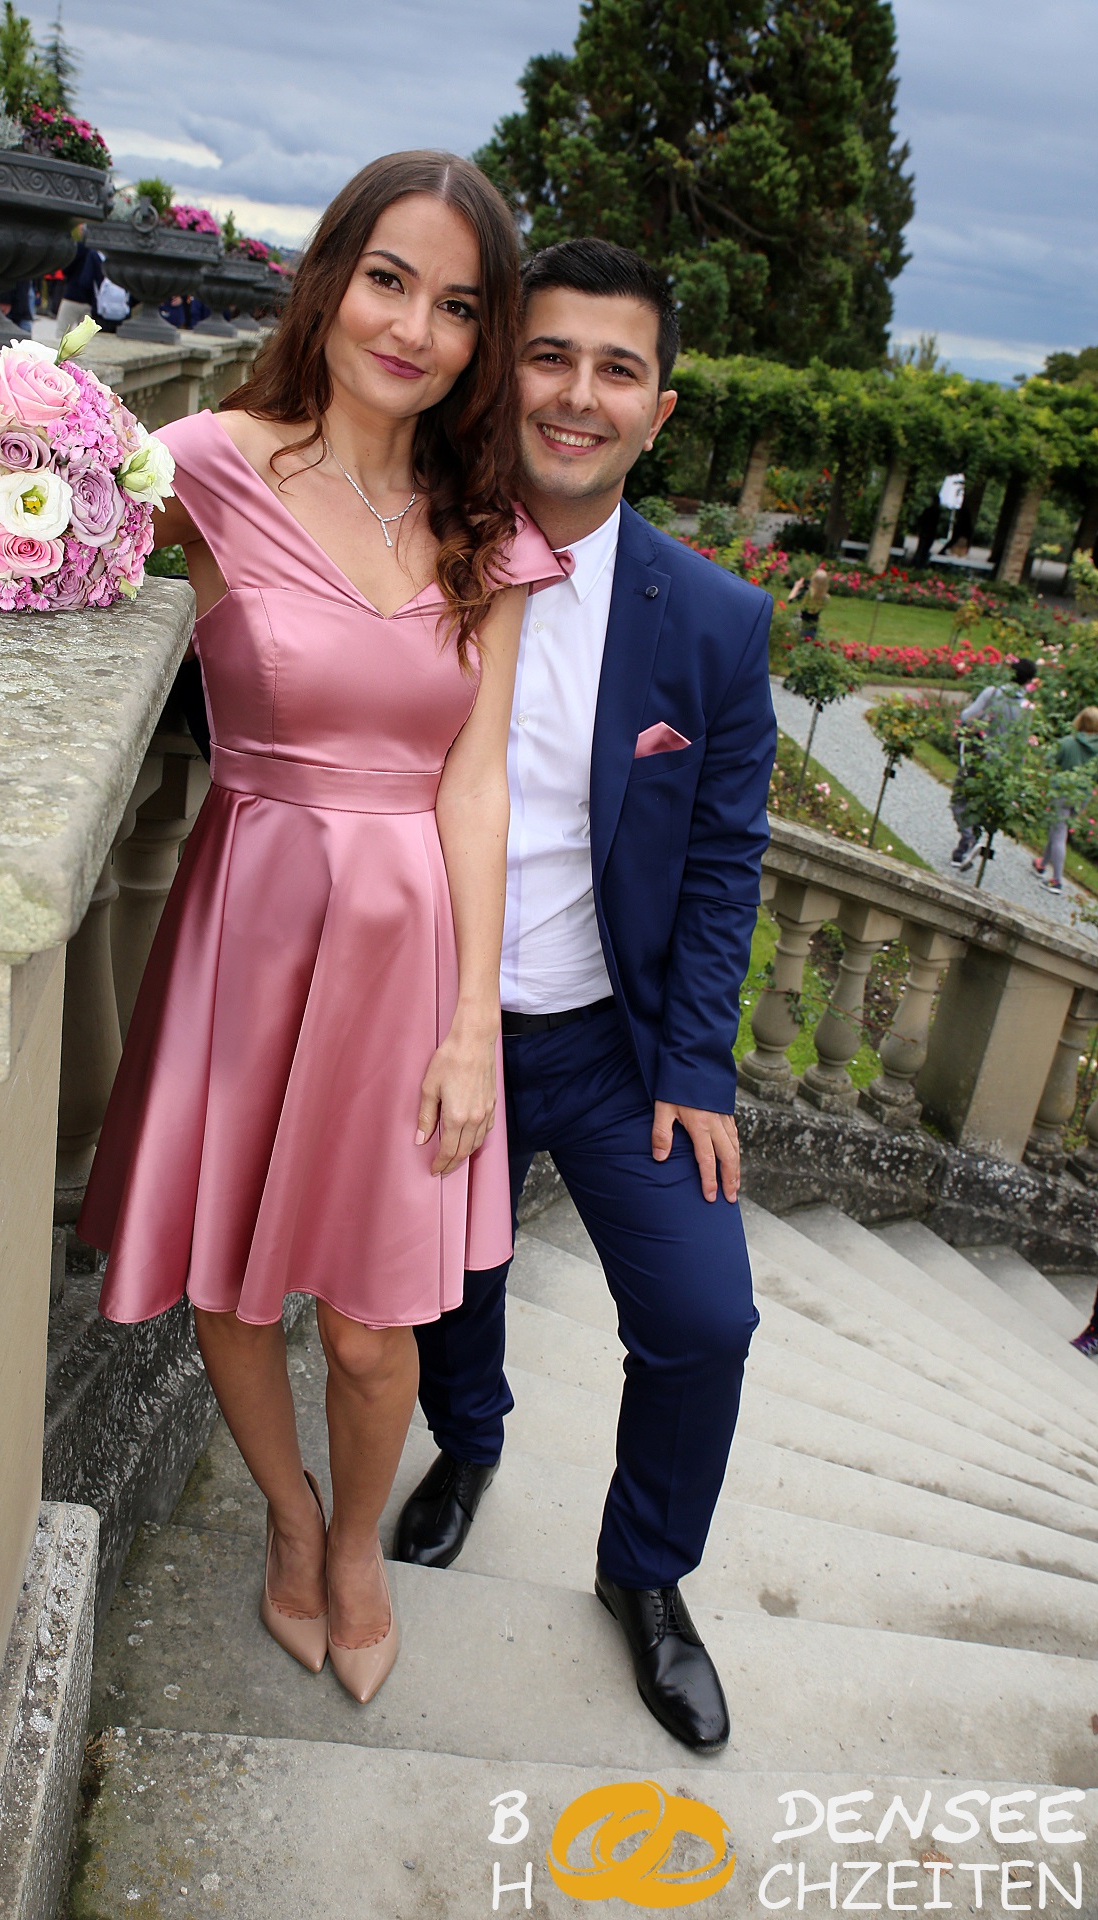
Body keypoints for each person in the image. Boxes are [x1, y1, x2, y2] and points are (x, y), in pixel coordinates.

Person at [77, 151, 562, 1707]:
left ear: (483, 341)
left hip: (409, 953)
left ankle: (360, 1539)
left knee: (369, 1330)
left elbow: (476, 784)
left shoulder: (487, 527)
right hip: (251, 922)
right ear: (330, 276)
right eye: (389, 279)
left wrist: (473, 1019)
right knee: (234, 1280)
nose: (415, 326)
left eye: (459, 304)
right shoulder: (203, 465)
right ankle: (288, 1524)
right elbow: (52, 569)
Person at [393, 237, 777, 1753]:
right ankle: (467, 1450)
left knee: (706, 1316)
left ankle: (648, 1577)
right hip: (447, 1024)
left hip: (623, 1053)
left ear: (658, 411)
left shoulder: (716, 625)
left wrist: (700, 1068)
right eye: (549, 356)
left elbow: (725, 859)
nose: (577, 395)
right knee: (451, 1286)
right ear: (508, 371)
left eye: (617, 369)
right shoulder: (413, 555)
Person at [950, 657, 1037, 870]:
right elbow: (1020, 744)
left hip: (980, 755)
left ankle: (968, 838)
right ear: (1028, 682)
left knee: (959, 798)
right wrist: (1016, 773)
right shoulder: (1027, 707)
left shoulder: (992, 693)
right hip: (1002, 764)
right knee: (983, 802)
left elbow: (966, 716)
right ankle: (965, 846)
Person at [1032, 706, 1098, 894]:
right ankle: (1042, 863)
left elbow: (1048, 761)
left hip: (1062, 791)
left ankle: (1057, 880)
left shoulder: (1068, 742)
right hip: (1081, 796)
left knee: (1059, 833)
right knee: (1059, 829)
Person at [56, 233, 105, 337]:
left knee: (62, 333)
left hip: (71, 296)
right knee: (83, 338)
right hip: (90, 300)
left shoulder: (79, 248)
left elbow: (66, 269)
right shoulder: (100, 252)